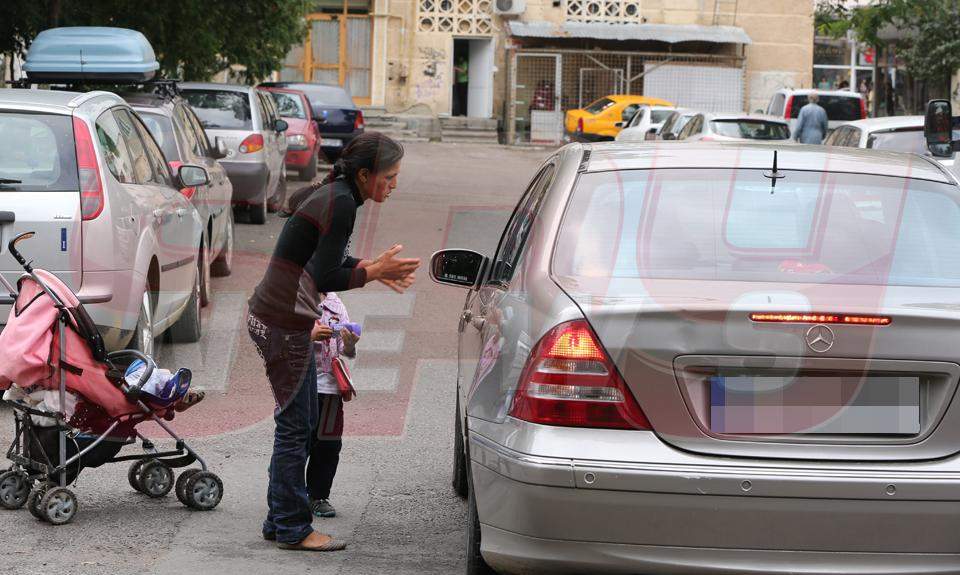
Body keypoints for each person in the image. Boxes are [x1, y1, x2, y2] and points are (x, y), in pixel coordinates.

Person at [246, 131, 420, 552]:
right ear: (365, 175)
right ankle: (291, 527)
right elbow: (323, 278)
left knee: (298, 426)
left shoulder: (340, 195)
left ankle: (279, 519)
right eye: (389, 177)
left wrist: (367, 266)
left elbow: (326, 263)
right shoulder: (340, 201)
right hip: (286, 323)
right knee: (297, 429)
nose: (394, 185)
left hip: (280, 317)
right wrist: (372, 272)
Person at [306, 292, 357, 519]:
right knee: (296, 443)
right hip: (299, 388)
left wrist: (349, 343)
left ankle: (318, 496)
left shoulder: (335, 305)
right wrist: (309, 335)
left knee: (328, 445)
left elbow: (347, 352)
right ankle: (285, 492)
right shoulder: (292, 296)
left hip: (330, 388)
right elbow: (277, 337)